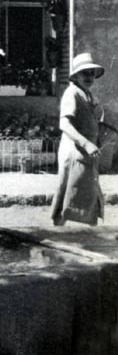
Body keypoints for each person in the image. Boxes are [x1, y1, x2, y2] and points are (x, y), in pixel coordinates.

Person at [51, 52, 104, 226]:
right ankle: (56, 230)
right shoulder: (72, 93)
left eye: (91, 73)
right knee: (68, 188)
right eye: (84, 73)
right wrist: (86, 143)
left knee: (88, 189)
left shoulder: (88, 95)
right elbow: (64, 124)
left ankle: (91, 232)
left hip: (87, 151)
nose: (89, 77)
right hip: (74, 151)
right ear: (76, 76)